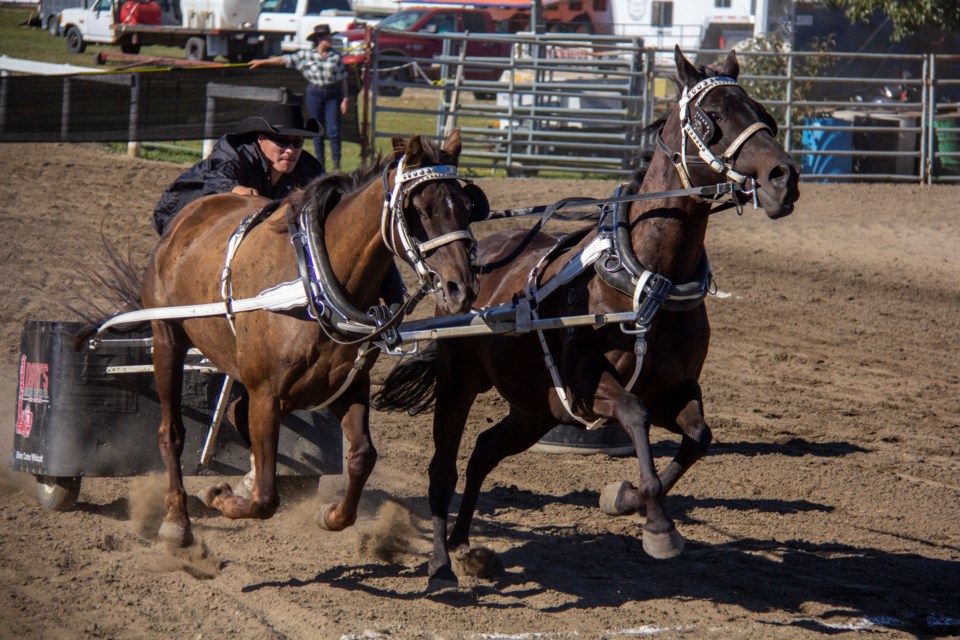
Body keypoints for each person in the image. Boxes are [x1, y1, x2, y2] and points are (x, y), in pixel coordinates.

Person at [151, 102, 324, 235]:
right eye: (282, 141)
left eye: (297, 143)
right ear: (261, 139)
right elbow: (216, 178)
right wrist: (235, 189)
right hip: (184, 212)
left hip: (240, 221)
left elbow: (325, 194)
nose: (290, 150)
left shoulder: (309, 168)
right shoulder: (234, 151)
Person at [249, 24, 349, 172]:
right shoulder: (306, 55)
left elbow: (343, 78)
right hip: (315, 93)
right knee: (317, 129)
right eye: (327, 37)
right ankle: (320, 163)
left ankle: (336, 165)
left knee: (334, 130)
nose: (330, 40)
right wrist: (263, 62)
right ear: (319, 39)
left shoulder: (335, 56)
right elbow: (283, 60)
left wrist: (345, 98)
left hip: (332, 94)